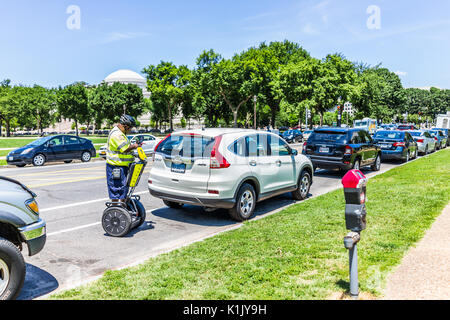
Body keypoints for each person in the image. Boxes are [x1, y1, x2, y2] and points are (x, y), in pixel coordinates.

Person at [105, 114, 140, 203]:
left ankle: (122, 207)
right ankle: (116, 208)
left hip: (121, 166)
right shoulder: (117, 134)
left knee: (123, 188)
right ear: (125, 126)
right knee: (116, 189)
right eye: (130, 128)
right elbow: (124, 149)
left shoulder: (121, 133)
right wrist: (135, 146)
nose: (130, 130)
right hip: (115, 167)